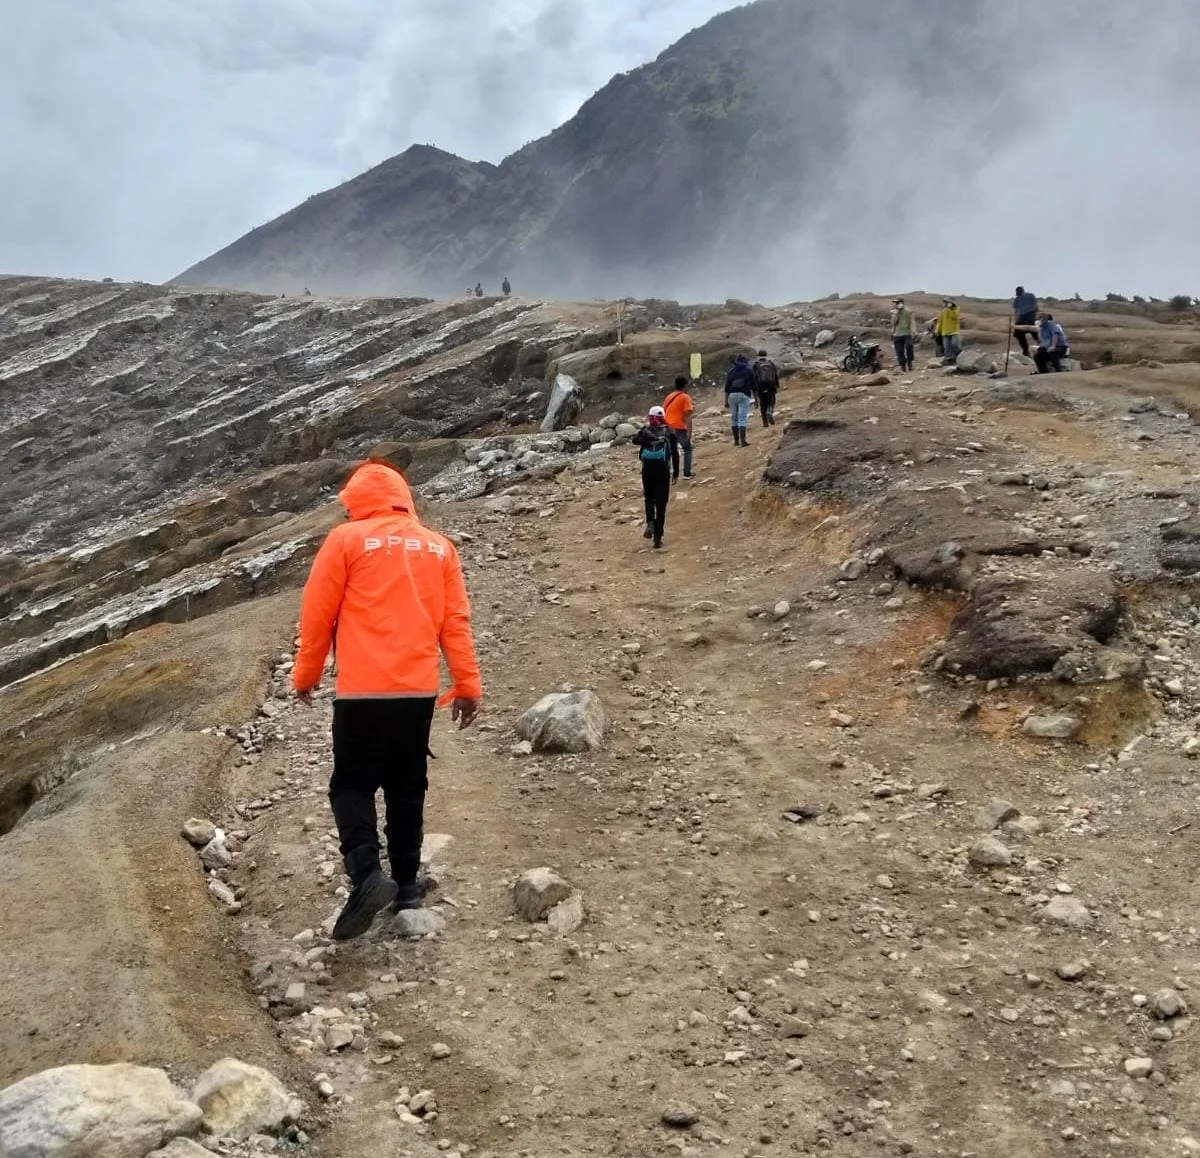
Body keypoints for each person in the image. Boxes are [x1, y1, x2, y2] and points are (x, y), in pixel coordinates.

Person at [292, 460, 482, 941]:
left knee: (351, 785)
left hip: (361, 691)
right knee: (406, 784)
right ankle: (407, 886)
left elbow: (318, 615)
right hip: (417, 691)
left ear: (356, 501)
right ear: (404, 497)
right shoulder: (440, 547)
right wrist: (466, 685)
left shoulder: (345, 540)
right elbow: (454, 622)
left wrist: (306, 675)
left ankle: (365, 875)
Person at [632, 407, 672, 548]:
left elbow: (634, 440)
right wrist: (677, 472)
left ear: (650, 417)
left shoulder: (645, 431)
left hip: (647, 470)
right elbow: (675, 454)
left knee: (649, 498)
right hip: (663, 470)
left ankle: (650, 523)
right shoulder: (668, 431)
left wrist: (646, 438)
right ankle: (657, 537)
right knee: (661, 504)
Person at [663, 375, 695, 481]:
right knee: (687, 448)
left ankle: (669, 475)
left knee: (670, 451)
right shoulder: (685, 397)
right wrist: (689, 431)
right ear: (685, 385)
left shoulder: (669, 397)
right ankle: (687, 473)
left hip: (667, 427)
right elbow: (687, 416)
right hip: (679, 427)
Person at [724, 353, 757, 446]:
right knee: (742, 418)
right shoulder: (749, 371)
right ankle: (743, 441)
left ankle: (736, 441)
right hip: (744, 395)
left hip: (732, 396)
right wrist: (756, 400)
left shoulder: (731, 371)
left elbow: (727, 387)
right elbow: (754, 387)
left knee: (734, 419)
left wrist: (726, 401)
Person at [753, 349, 780, 426]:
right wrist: (777, 385)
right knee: (771, 402)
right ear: (766, 355)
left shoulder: (756, 365)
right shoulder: (771, 363)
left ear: (758, 356)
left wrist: (755, 388)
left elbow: (754, 377)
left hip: (761, 387)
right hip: (771, 386)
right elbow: (775, 375)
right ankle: (770, 411)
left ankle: (765, 423)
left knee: (762, 404)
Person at [1012, 285, 1039, 356]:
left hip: (1029, 317)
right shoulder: (1017, 299)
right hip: (1023, 317)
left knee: (1035, 333)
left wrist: (1033, 316)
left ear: (1023, 291)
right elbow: (1016, 310)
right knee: (1017, 334)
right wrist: (1016, 320)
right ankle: (1026, 351)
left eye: (1019, 293)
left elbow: (1035, 307)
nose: (1019, 295)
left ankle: (1044, 347)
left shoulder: (1031, 296)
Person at [891, 299, 915, 372]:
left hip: (907, 333)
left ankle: (910, 364)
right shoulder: (894, 312)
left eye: (897, 303)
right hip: (897, 334)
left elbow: (912, 322)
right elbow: (893, 323)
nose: (896, 304)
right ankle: (903, 366)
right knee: (899, 351)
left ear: (902, 303)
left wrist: (913, 331)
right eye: (895, 303)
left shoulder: (908, 311)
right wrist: (896, 314)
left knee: (909, 349)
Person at [938, 299, 962, 363]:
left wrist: (948, 310)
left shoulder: (956, 309)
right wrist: (937, 330)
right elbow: (940, 321)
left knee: (954, 345)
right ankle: (948, 359)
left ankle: (959, 356)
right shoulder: (943, 311)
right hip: (945, 331)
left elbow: (955, 317)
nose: (943, 304)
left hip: (954, 331)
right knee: (946, 347)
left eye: (945, 303)